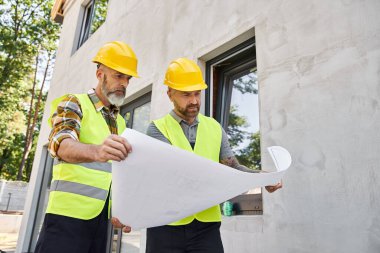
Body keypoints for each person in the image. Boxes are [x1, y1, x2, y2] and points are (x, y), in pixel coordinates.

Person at [145, 58, 282, 253]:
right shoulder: (157, 130)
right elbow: (174, 174)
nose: (194, 101)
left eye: (197, 93)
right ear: (170, 94)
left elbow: (233, 167)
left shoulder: (215, 128)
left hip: (206, 228)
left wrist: (263, 177)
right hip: (166, 226)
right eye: (186, 94)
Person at [34, 41, 137, 253]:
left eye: (128, 78)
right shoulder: (74, 103)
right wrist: (97, 151)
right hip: (66, 219)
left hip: (101, 223)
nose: (124, 83)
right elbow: (61, 144)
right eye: (119, 75)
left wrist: (122, 210)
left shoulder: (121, 123)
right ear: (100, 74)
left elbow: (117, 174)